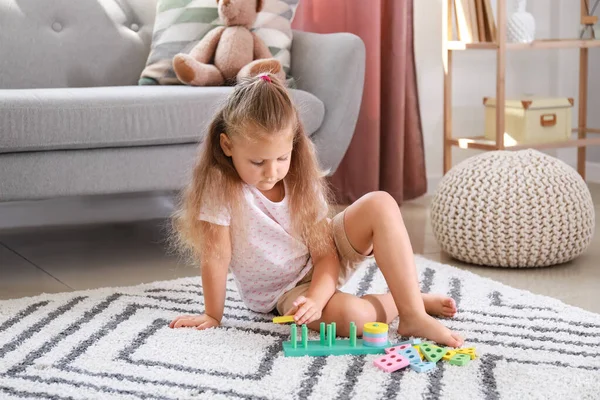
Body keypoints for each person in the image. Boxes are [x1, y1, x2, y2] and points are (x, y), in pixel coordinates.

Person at [169, 73, 463, 347]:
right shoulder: (222, 189)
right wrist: (213, 315)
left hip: (323, 260)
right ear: (227, 145)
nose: (272, 172)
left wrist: (318, 297)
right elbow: (216, 257)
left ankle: (412, 314)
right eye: (258, 162)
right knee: (354, 318)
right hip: (285, 290)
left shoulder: (298, 180)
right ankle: (406, 301)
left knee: (381, 203)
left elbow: (325, 256)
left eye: (282, 158)